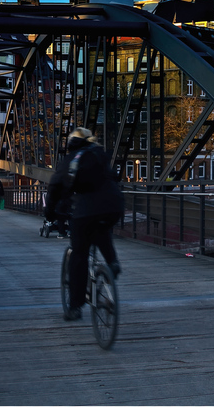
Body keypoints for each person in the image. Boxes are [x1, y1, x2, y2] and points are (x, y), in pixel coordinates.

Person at [49, 128, 124, 322]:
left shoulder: (71, 159)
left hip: (85, 210)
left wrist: (50, 212)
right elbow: (114, 178)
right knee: (101, 229)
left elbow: (55, 186)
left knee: (79, 255)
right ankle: (112, 263)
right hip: (114, 205)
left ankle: (74, 307)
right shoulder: (101, 155)